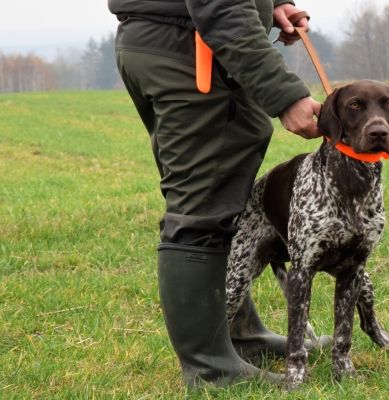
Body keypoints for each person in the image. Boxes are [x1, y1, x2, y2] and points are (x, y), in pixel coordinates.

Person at [108, 0, 325, 388]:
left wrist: (271, 4)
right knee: (201, 208)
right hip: (189, 49)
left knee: (218, 196)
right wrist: (285, 95)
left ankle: (240, 339)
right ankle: (211, 370)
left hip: (170, 41)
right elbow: (220, 5)